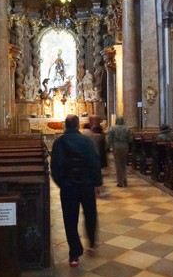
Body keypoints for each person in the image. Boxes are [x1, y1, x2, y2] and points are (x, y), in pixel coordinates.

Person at [50, 114, 102, 267]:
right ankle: (91, 243)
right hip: (86, 184)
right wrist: (97, 183)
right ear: (78, 125)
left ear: (65, 125)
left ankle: (74, 254)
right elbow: (94, 162)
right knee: (90, 214)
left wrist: (62, 183)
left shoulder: (59, 143)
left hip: (68, 186)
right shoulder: (86, 141)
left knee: (70, 219)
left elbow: (54, 167)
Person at [106, 116, 133, 187]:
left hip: (116, 147)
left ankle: (120, 182)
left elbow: (109, 138)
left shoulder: (113, 128)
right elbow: (130, 139)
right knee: (124, 165)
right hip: (125, 147)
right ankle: (125, 181)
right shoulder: (127, 128)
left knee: (118, 165)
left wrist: (108, 147)